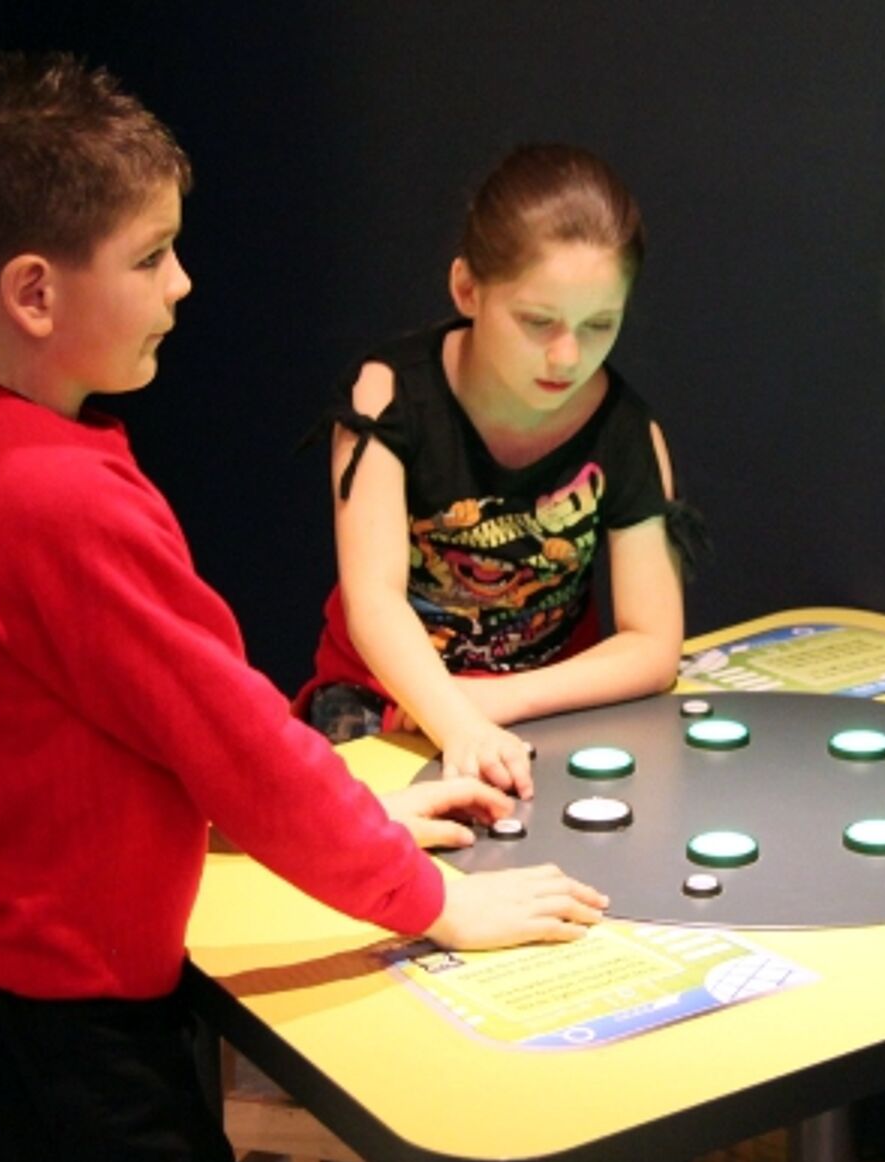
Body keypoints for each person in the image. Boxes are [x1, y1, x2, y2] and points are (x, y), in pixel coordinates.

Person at [0, 53, 607, 1162]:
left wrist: (367, 820)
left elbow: (97, 730)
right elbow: (234, 739)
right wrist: (433, 900)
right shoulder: (55, 500)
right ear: (35, 293)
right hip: (61, 1027)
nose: (183, 281)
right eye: (151, 254)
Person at [298, 143, 700, 799]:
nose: (567, 356)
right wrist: (456, 720)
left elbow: (653, 645)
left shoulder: (627, 430)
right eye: (538, 322)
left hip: (546, 706)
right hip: (385, 702)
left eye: (600, 324)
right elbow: (374, 604)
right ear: (467, 289)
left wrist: (492, 705)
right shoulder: (388, 396)